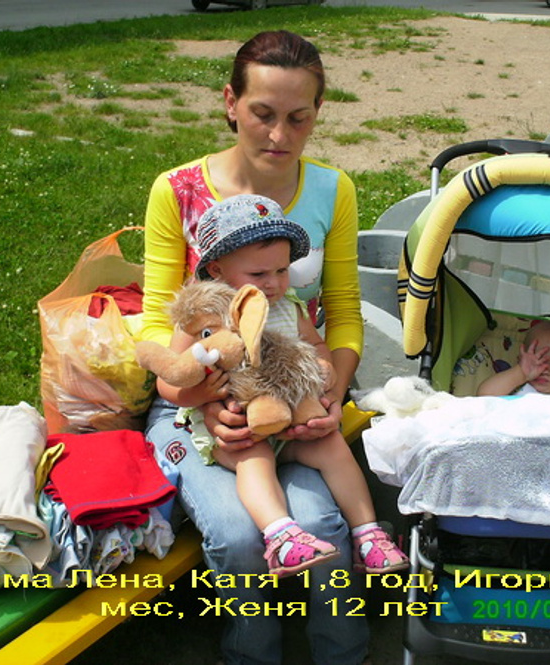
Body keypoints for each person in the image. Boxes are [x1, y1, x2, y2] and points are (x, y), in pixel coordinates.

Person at [140, 30, 371, 665]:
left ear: (319, 111)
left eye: (299, 118)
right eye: (263, 113)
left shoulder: (333, 189)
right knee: (240, 537)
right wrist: (208, 401)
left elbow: (344, 313)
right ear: (230, 103)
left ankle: (344, 655)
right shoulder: (177, 190)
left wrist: (332, 390)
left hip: (297, 392)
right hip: (194, 401)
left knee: (321, 526)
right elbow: (158, 324)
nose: (279, 135)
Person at [159, 194, 409, 578]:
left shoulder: (287, 306)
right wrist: (204, 395)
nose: (274, 283)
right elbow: (169, 380)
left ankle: (368, 534)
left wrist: (324, 367)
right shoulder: (205, 317)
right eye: (259, 274)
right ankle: (281, 536)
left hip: (291, 423)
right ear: (217, 270)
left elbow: (316, 344)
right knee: (254, 457)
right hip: (238, 430)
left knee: (332, 448)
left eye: (281, 270)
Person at [476, 320, 550, 398]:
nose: (544, 370)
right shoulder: (514, 387)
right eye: (537, 361)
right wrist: (521, 373)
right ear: (521, 361)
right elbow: (484, 396)